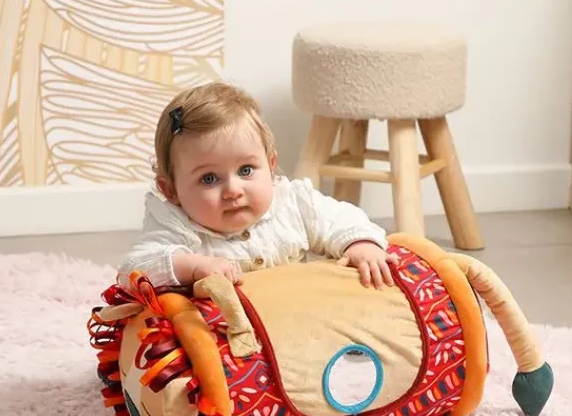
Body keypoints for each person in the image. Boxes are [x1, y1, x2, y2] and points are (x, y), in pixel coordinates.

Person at [118, 82, 394, 291]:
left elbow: (340, 219)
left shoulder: (293, 204)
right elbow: (134, 269)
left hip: (301, 318)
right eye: (209, 179)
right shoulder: (177, 227)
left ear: (270, 165)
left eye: (245, 170)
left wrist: (361, 244)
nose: (233, 190)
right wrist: (193, 267)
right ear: (171, 191)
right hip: (227, 335)